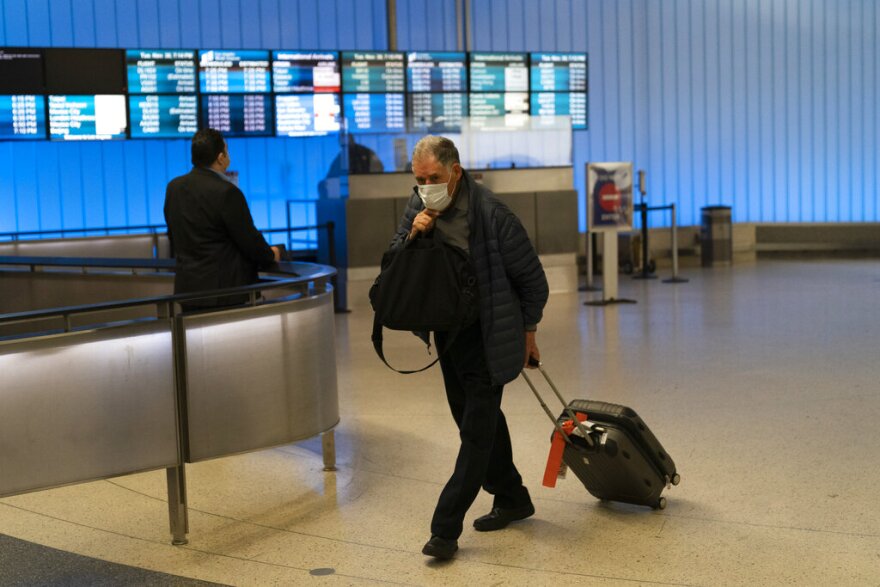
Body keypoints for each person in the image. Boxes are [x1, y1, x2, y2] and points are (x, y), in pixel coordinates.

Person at [387, 135, 549, 560]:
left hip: (488, 333)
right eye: (420, 178)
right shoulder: (417, 205)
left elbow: (533, 281)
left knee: (475, 432)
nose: (426, 186)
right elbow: (392, 261)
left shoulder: (492, 214)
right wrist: (412, 237)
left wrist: (528, 334)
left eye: (434, 177)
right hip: (449, 332)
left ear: (455, 171)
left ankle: (445, 529)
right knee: (476, 419)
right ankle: (513, 497)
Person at [164, 128, 280, 310]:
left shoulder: (174, 188)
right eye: (227, 150)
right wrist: (270, 254)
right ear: (220, 157)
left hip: (188, 292)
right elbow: (248, 240)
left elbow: (173, 236)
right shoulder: (227, 192)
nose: (228, 156)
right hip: (224, 295)